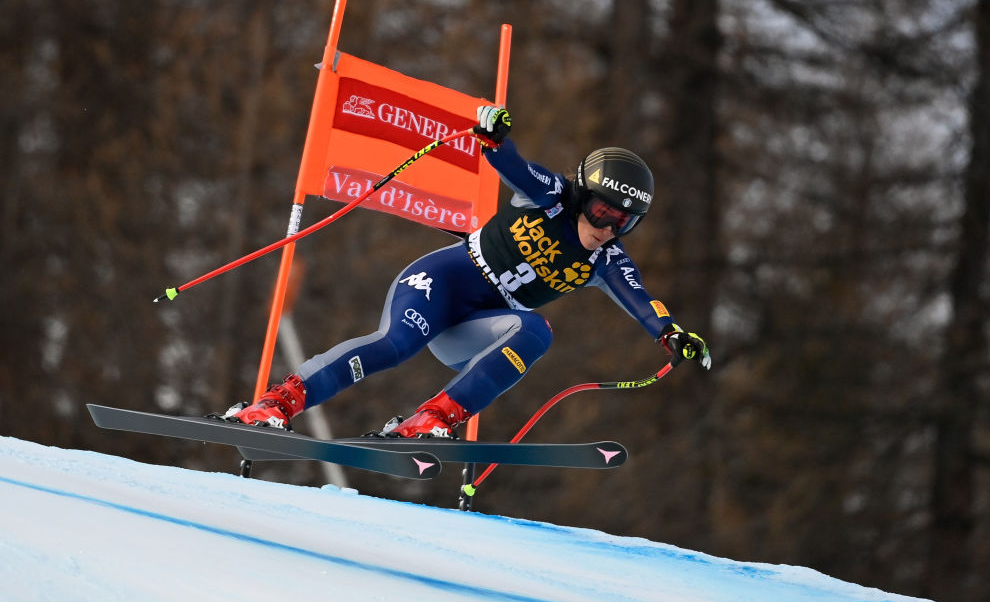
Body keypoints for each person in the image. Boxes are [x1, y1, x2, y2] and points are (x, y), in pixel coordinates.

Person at [221, 106, 711, 437]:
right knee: (394, 347)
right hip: (441, 285)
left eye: (627, 222)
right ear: (584, 196)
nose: (610, 228)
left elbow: (642, 300)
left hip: (476, 327)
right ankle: (275, 404)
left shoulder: (608, 259)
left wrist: (672, 333)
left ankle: (432, 419)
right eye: (605, 212)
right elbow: (514, 165)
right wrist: (495, 139)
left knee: (537, 331)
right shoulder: (552, 197)